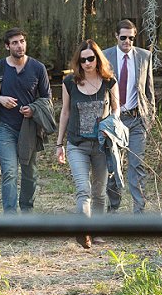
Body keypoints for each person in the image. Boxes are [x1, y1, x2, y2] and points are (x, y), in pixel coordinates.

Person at [56, 40, 120, 248]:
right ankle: (83, 232)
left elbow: (116, 109)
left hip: (102, 145)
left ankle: (97, 231)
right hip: (77, 144)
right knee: (83, 189)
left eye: (90, 58)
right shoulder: (70, 83)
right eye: (82, 60)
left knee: (99, 192)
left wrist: (109, 126)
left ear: (97, 59)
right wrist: (59, 144)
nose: (87, 63)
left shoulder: (109, 82)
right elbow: (65, 112)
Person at [0, 27, 52, 214]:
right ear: (7, 46)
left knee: (30, 174)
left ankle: (27, 211)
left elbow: (47, 98)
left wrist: (33, 109)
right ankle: (10, 217)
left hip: (29, 128)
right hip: (5, 127)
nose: (20, 46)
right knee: (10, 172)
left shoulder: (38, 68)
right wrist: (0, 99)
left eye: (22, 41)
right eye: (15, 43)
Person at [103, 19, 156, 214]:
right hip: (114, 120)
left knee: (137, 165)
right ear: (116, 36)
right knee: (113, 166)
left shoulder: (144, 56)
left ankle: (139, 213)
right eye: (123, 37)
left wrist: (149, 118)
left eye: (131, 38)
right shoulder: (105, 56)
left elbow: (149, 89)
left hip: (137, 120)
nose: (127, 41)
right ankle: (113, 208)